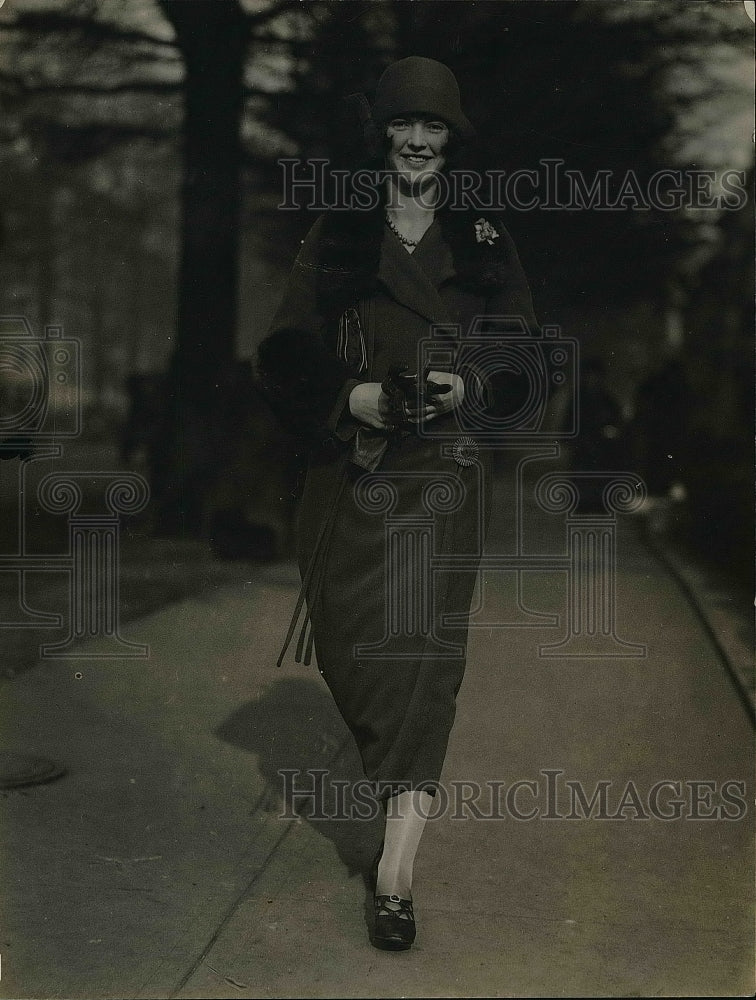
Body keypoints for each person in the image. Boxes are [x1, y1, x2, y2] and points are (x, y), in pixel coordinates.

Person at [257, 56, 540, 950]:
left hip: (444, 476)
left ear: (452, 142)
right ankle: (394, 806)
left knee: (423, 662)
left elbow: (524, 352)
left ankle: (396, 873)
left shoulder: (485, 240)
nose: (418, 144)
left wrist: (470, 386)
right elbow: (282, 349)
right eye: (403, 129)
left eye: (434, 131)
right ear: (382, 138)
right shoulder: (338, 235)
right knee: (351, 647)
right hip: (352, 474)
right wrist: (347, 398)